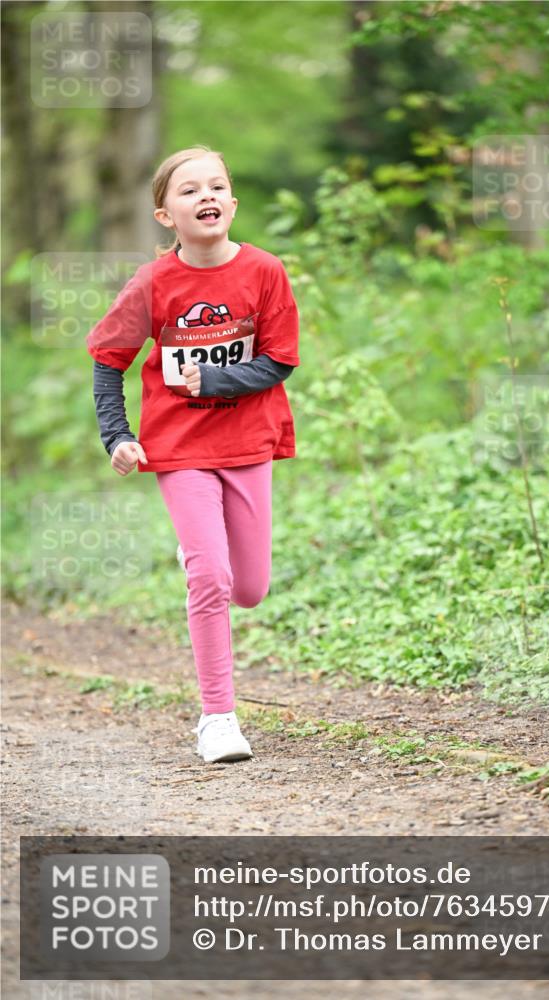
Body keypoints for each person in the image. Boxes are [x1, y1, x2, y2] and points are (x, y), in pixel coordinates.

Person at [86, 144, 300, 764]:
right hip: (179, 447)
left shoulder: (264, 271)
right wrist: (117, 435)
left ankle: (203, 548)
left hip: (247, 442)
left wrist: (217, 380)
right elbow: (108, 359)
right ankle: (218, 718)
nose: (205, 196)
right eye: (188, 190)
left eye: (216, 187)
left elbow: (280, 359)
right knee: (210, 577)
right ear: (164, 215)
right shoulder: (154, 283)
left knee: (251, 587)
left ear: (232, 203)